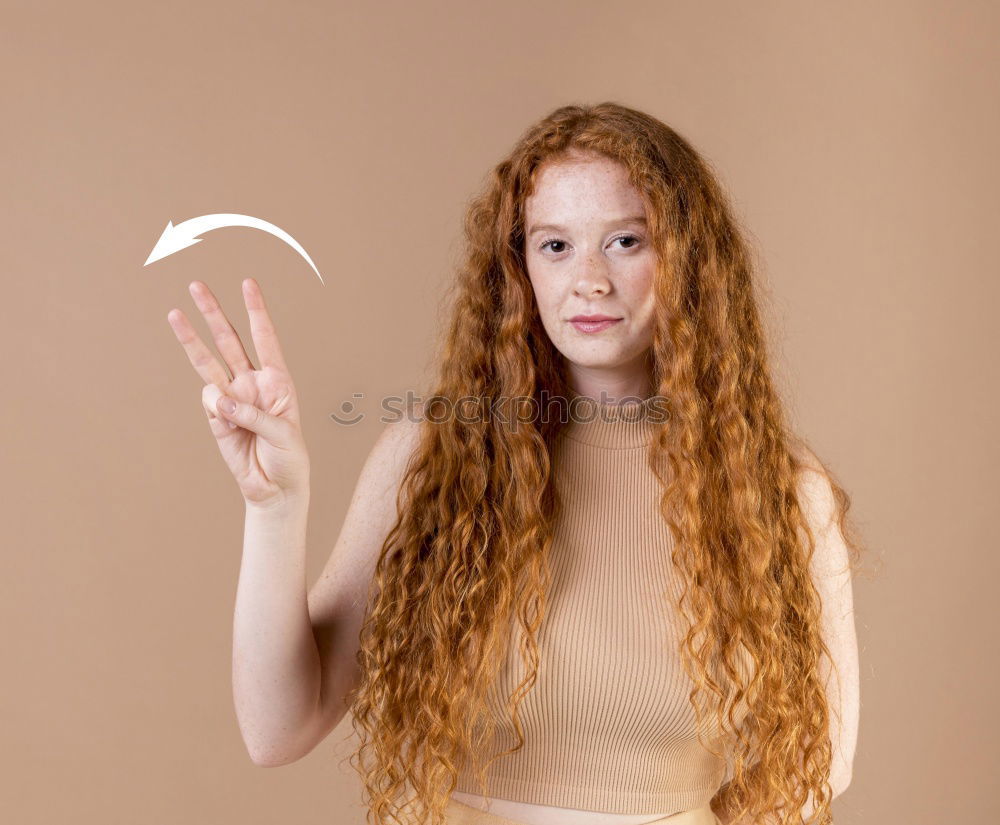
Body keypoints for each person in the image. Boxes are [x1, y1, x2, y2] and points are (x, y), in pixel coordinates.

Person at [166, 102, 863, 825]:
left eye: (626, 240)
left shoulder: (783, 490)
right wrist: (274, 508)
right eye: (554, 245)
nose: (588, 279)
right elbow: (279, 729)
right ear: (518, 264)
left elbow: (820, 766)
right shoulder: (432, 457)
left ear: (689, 258)